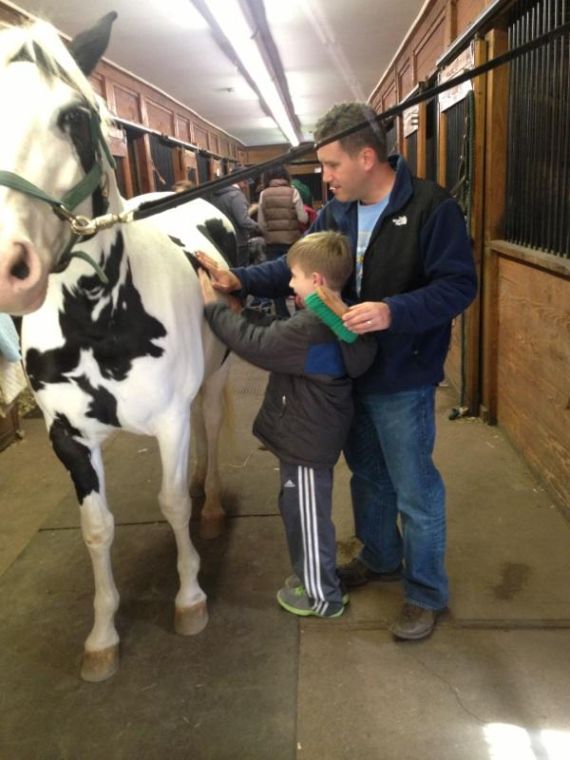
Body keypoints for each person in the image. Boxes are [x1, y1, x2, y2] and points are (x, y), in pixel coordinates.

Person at [196, 101, 477, 641]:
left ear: (366, 156)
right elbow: (296, 266)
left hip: (403, 377)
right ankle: (380, 557)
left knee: (415, 489)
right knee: (369, 478)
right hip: (352, 377)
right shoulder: (337, 213)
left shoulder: (430, 208)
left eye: (330, 165)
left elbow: (458, 285)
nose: (323, 178)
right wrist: (240, 280)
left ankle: (425, 593)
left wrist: (394, 311)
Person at [198, 232, 377, 618]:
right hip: (307, 439)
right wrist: (241, 309)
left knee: (308, 520)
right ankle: (312, 576)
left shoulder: (312, 329)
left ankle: (323, 597)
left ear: (315, 282)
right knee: (299, 512)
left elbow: (259, 345)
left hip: (307, 445)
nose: (288, 283)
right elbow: (276, 333)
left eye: (293, 276)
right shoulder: (333, 320)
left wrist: (214, 310)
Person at [257, 166, 308, 317]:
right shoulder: (293, 192)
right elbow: (303, 218)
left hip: (272, 244)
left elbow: (261, 223)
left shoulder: (263, 194)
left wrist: (270, 234)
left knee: (275, 278)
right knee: (296, 277)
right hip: (293, 243)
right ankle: (299, 313)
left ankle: (281, 314)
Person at [207, 166, 262, 267]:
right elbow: (243, 221)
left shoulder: (216, 194)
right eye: (245, 182)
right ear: (240, 180)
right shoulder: (237, 195)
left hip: (221, 242)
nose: (246, 186)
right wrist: (259, 227)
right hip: (239, 243)